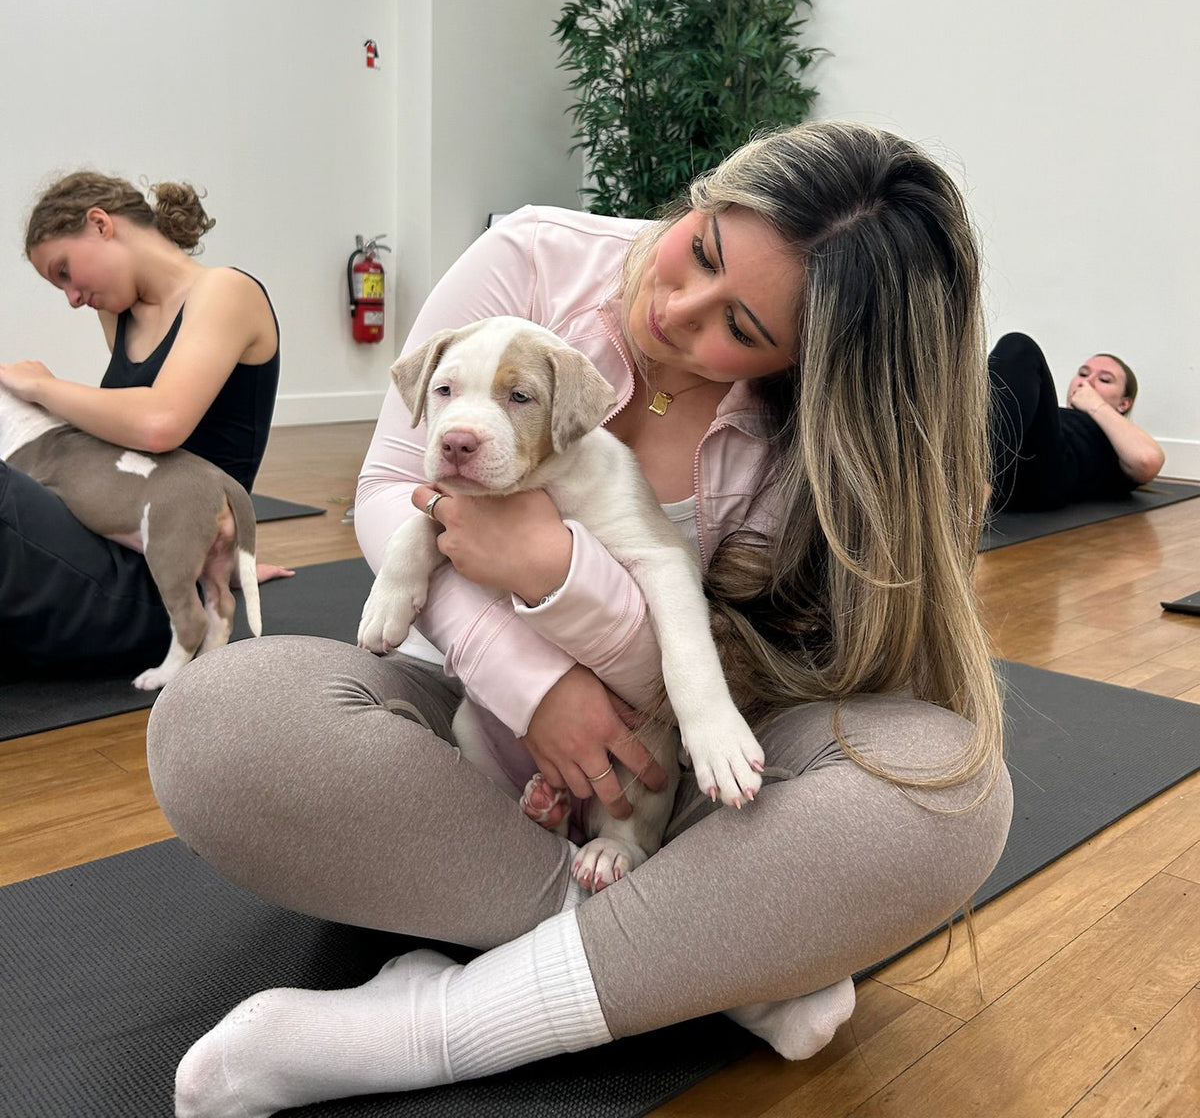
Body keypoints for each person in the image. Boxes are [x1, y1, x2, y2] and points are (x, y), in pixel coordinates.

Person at [147, 122, 1013, 1118]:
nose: (677, 309)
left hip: (683, 749)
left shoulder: (806, 440)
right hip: (468, 718)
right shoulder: (534, 261)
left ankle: (436, 1021)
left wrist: (563, 582)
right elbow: (392, 485)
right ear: (708, 194)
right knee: (218, 719)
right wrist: (527, 672)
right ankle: (702, 956)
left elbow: (746, 679)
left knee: (946, 790)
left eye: (743, 329)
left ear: (802, 365)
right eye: (704, 248)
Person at [0, 171, 282, 678]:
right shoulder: (120, 313)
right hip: (124, 546)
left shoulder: (226, 291)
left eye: (65, 271)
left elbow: (159, 425)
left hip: (159, 595)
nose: (72, 297)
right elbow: (125, 451)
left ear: (101, 224)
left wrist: (42, 386)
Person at [987, 332, 1164, 514]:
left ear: (1124, 403)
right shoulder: (1049, 413)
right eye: (1083, 374)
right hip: (1002, 451)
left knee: (1019, 346)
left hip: (1042, 474)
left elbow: (1147, 460)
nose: (1087, 381)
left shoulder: (1118, 437)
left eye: (1104, 379)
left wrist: (1095, 405)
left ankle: (977, 484)